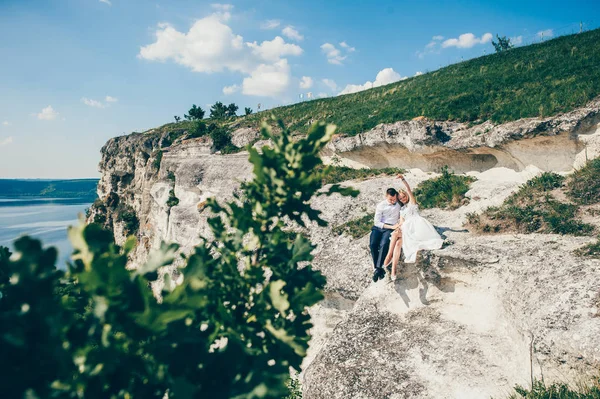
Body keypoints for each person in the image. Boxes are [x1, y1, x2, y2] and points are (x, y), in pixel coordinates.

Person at [383, 174, 444, 280]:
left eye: (403, 196)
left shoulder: (412, 203)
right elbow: (402, 222)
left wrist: (403, 179)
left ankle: (389, 256)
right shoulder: (402, 210)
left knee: (396, 234)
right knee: (398, 243)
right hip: (407, 229)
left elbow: (408, 189)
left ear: (406, 195)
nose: (402, 199)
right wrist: (398, 227)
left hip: (417, 227)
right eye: (400, 198)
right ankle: (393, 271)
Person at [369, 188, 403, 282]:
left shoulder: (399, 204)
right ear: (386, 196)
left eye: (394, 199)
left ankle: (378, 268)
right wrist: (390, 227)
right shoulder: (381, 205)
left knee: (384, 244)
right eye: (390, 199)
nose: (393, 201)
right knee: (372, 244)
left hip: (390, 228)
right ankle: (378, 269)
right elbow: (376, 222)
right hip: (379, 227)